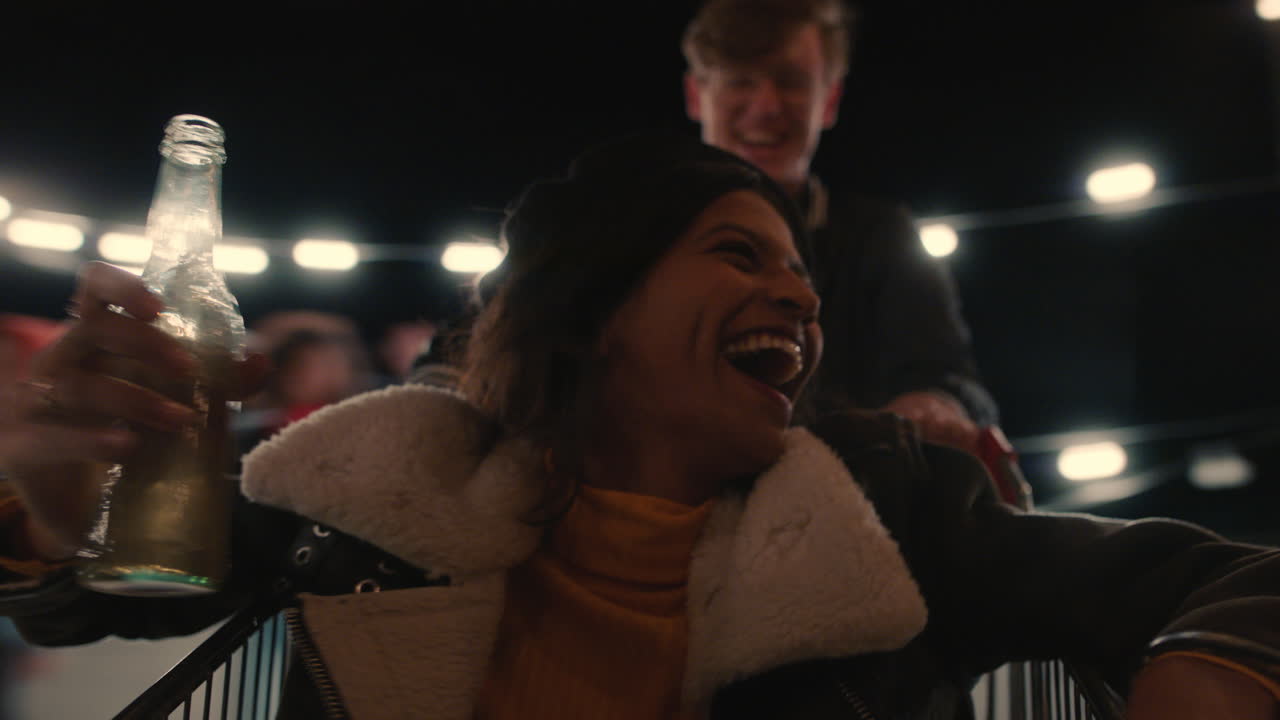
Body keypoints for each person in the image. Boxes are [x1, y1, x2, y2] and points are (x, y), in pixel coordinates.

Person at [0, 134, 1277, 720]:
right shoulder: (383, 479)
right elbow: (97, 595)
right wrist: (51, 499)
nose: (796, 296)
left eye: (801, 278)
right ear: (597, 303)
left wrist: (1202, 685)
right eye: (738, 255)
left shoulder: (884, 505)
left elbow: (1233, 582)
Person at [682, 0, 996, 451]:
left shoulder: (885, 235)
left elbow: (945, 374)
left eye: (790, 82)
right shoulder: (642, 237)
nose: (766, 105)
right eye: (741, 81)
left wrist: (935, 402)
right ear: (696, 96)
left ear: (829, 100)